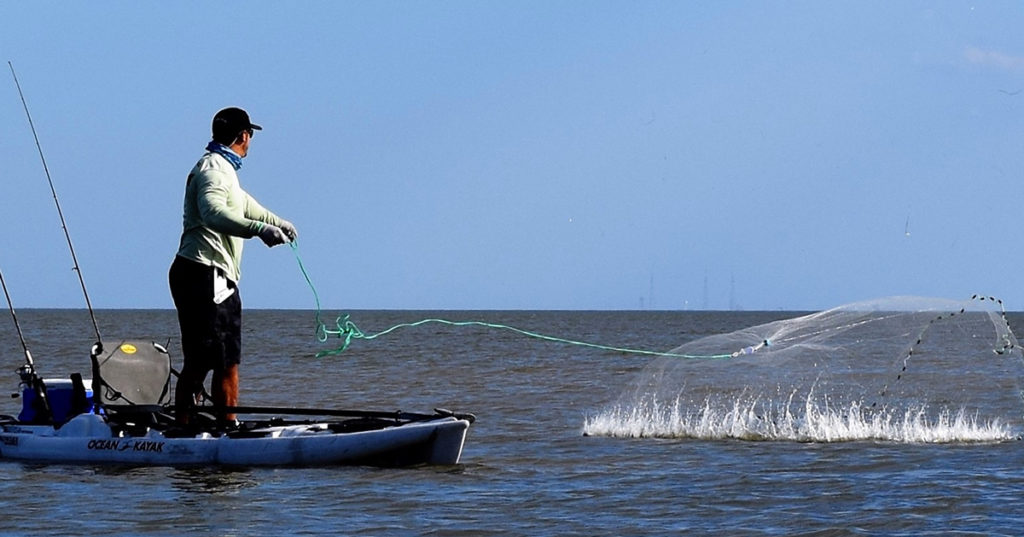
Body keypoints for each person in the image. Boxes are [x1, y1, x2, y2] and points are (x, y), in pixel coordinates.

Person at [169, 107, 297, 426]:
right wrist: (259, 231)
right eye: (250, 135)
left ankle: (191, 425)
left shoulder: (223, 169)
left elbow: (244, 204)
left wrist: (276, 221)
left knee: (205, 358)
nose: (250, 141)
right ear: (243, 136)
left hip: (201, 273)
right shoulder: (214, 170)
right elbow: (213, 213)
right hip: (205, 273)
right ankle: (222, 427)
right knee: (223, 360)